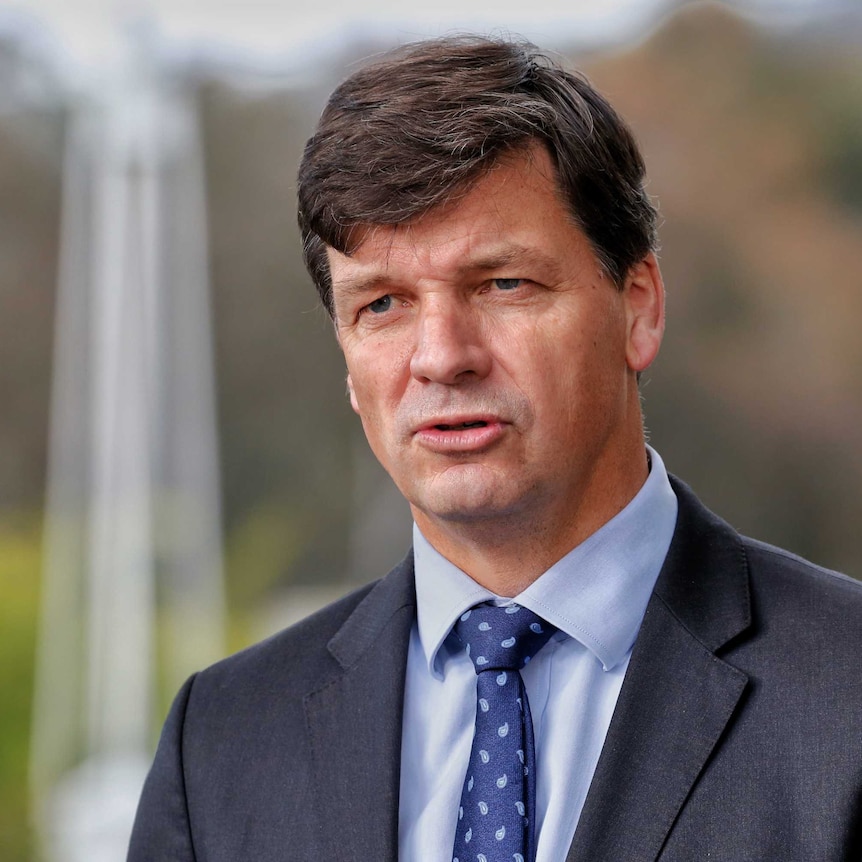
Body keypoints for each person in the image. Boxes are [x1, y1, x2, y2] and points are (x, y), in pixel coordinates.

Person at [128, 36, 862, 861]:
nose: (442, 356)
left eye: (503, 284)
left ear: (640, 307)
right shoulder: (221, 741)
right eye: (382, 304)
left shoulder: (846, 694)